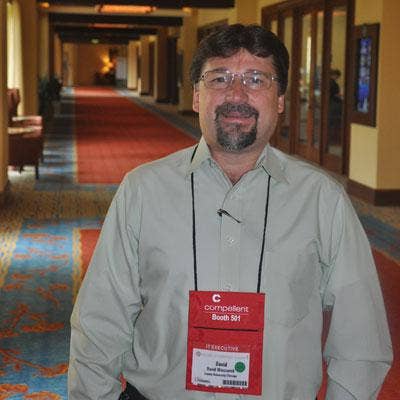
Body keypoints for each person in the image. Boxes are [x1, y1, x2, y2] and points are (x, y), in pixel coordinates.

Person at [68, 24, 392, 400]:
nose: (237, 95)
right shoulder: (143, 190)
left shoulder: (322, 200)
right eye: (219, 78)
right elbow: (100, 319)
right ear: (196, 95)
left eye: (256, 79)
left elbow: (360, 338)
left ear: (280, 99)